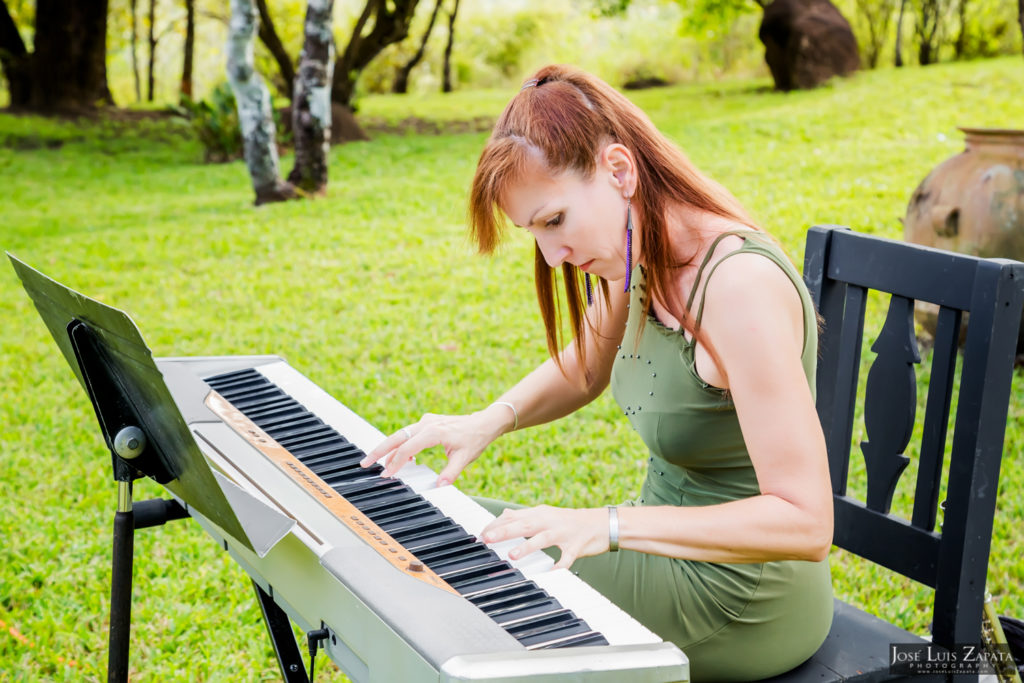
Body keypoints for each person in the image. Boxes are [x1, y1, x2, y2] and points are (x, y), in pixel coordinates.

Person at [360, 64, 833, 682]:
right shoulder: (640, 255)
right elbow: (585, 368)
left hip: (742, 599)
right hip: (659, 551)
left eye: (554, 221)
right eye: (533, 233)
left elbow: (805, 520)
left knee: (453, 569)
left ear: (618, 170)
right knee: (425, 533)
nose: (553, 257)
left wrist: (604, 525)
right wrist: (485, 422)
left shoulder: (736, 286)